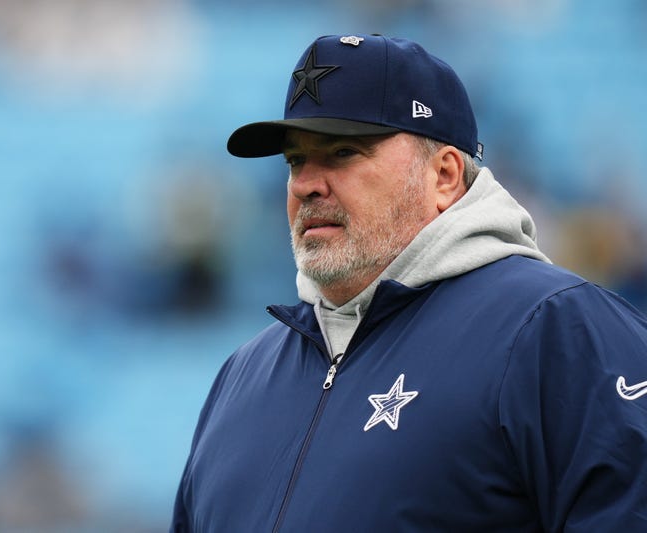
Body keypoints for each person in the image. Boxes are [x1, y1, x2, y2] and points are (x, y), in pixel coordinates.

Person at [170, 34, 647, 532]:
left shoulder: (557, 331)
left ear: (444, 175)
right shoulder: (241, 377)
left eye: (343, 151)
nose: (305, 184)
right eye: (295, 160)